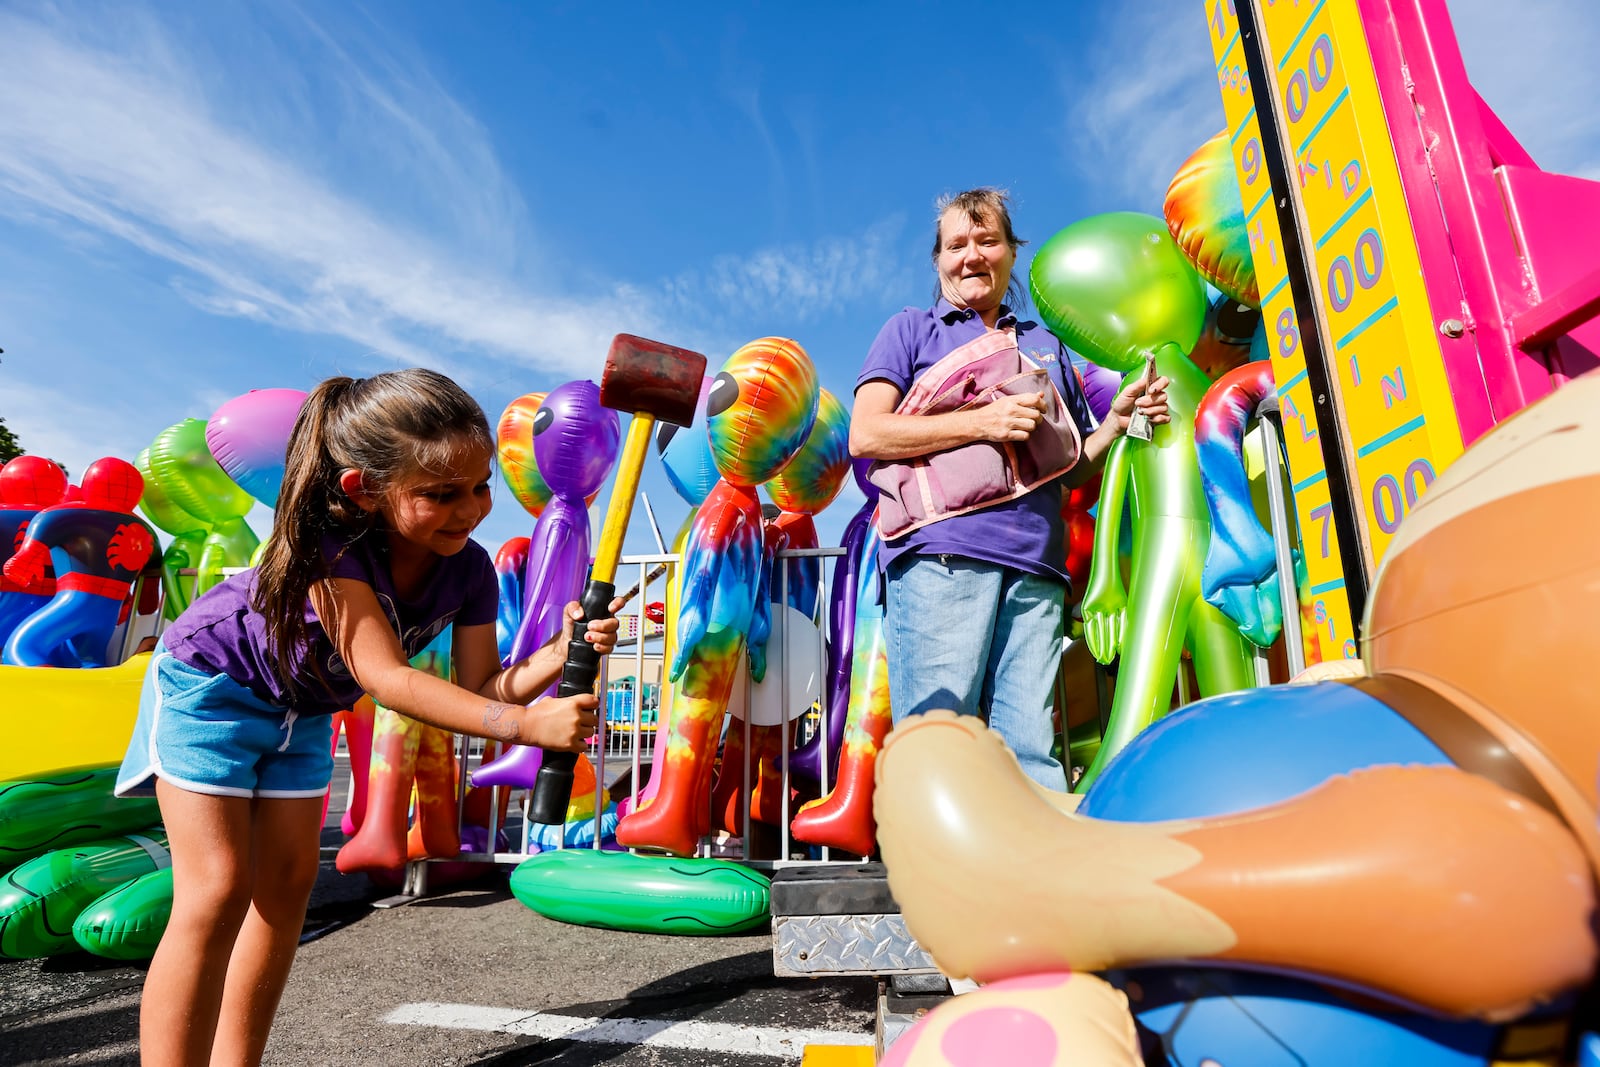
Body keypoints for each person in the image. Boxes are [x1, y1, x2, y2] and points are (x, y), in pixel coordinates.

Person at [114, 369, 622, 1067]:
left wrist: (560, 652)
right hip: (212, 687)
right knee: (219, 888)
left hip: (302, 707)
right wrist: (523, 727)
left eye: (480, 487)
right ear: (364, 489)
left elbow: (482, 683)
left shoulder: (469, 569)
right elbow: (384, 676)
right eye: (441, 494)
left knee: (286, 889)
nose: (469, 509)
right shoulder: (330, 547)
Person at [850, 188, 1170, 792]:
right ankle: (936, 887)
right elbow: (866, 434)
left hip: (1036, 567)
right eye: (956, 244)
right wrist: (982, 422)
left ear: (1012, 252)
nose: (972, 255)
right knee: (941, 746)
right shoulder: (910, 331)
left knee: (1032, 755)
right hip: (942, 556)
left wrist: (1117, 423)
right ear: (938, 260)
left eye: (987, 240)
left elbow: (1068, 469)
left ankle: (1031, 887)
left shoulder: (1047, 347)